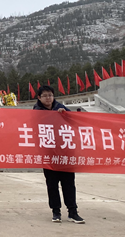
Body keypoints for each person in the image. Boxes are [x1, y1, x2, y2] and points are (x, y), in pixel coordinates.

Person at [33, 85, 84, 224]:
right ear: (39, 98)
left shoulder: (61, 108)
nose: (48, 98)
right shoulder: (36, 112)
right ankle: (56, 211)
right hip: (49, 154)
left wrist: (65, 114)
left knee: (69, 183)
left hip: (65, 153)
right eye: (45, 96)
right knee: (52, 184)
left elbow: (74, 121)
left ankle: (73, 211)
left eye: (50, 95)